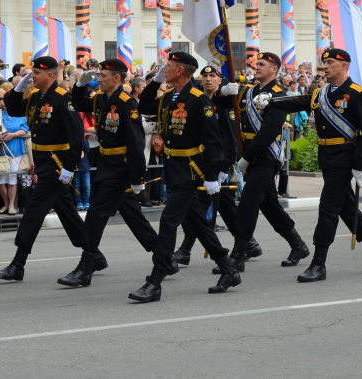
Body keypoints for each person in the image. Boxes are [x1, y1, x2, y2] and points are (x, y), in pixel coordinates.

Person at [261, 48, 362, 282]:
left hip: (344, 157)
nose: (325, 66)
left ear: (344, 65)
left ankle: (319, 263)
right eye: (324, 63)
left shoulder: (357, 94)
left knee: (328, 208)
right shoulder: (321, 93)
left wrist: (360, 165)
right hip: (327, 157)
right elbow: (298, 102)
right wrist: (271, 101)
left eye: (330, 62)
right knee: (347, 209)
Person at [128, 52, 240, 302]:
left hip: (191, 170)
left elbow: (213, 141)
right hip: (174, 166)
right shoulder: (169, 96)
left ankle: (155, 281)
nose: (164, 69)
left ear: (180, 71)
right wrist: (155, 81)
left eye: (167, 67)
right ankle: (228, 268)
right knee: (198, 223)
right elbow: (145, 106)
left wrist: (212, 176)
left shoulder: (199, 100)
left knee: (169, 221)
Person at [57, 59, 161, 289]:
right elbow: (78, 104)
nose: (99, 79)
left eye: (103, 76)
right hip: (107, 163)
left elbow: (135, 143)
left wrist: (137, 178)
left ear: (116, 78)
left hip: (121, 167)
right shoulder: (102, 99)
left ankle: (86, 267)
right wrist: (80, 85)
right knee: (133, 215)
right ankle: (163, 255)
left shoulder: (127, 103)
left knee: (95, 214)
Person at [211, 53, 310, 270]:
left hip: (265, 157)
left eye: (262, 64)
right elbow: (220, 103)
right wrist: (222, 92)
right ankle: (298, 245)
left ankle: (238, 255)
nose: (256, 67)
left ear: (274, 69)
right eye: (256, 63)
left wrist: (245, 160)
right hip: (249, 155)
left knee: (247, 204)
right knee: (270, 207)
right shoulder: (248, 90)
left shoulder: (279, 95)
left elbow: (267, 134)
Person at [0, 56, 87, 282]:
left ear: (50, 75)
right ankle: (93, 254)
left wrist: (69, 168)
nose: (32, 77)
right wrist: (19, 87)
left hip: (56, 165)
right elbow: (14, 108)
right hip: (43, 163)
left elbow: (76, 135)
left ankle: (18, 264)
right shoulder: (36, 96)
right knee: (67, 214)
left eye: (36, 73)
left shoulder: (62, 98)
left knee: (33, 211)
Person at [175, 64, 264, 272]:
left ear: (219, 81)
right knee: (224, 206)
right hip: (198, 162)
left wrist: (225, 167)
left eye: (212, 76)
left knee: (195, 207)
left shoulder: (225, 105)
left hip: (216, 165)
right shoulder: (196, 101)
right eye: (204, 76)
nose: (207, 80)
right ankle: (249, 243)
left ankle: (185, 250)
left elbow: (228, 138)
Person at [0, 87, 28, 215]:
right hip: (1, 150)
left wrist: (13, 134)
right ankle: (6, 204)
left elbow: (25, 129)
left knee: (12, 177)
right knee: (0, 179)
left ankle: (11, 205)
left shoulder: (22, 114)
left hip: (16, 149)